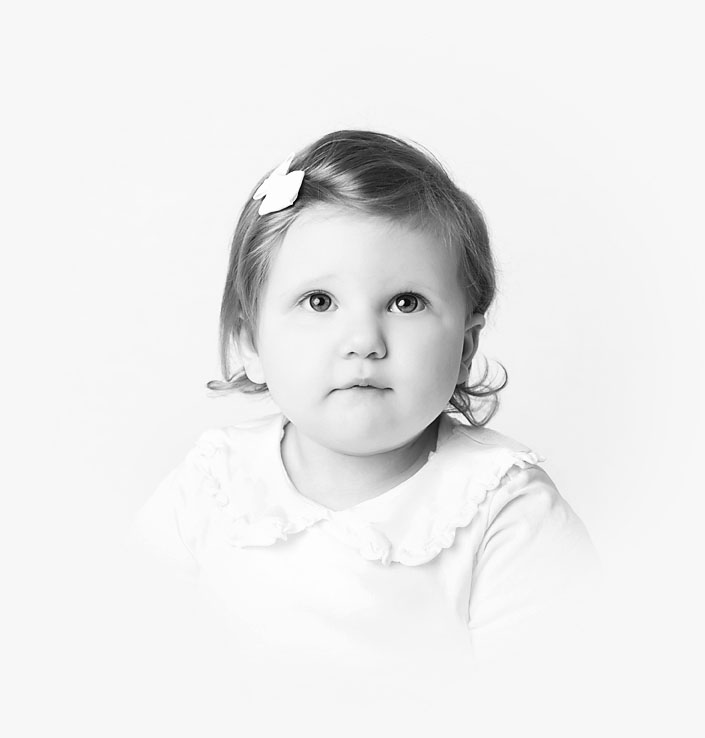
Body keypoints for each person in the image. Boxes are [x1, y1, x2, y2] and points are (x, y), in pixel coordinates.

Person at [131, 129, 599, 680]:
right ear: (250, 342)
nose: (363, 340)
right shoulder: (212, 486)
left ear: (465, 348)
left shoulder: (504, 507)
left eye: (405, 302)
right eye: (319, 301)